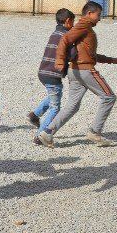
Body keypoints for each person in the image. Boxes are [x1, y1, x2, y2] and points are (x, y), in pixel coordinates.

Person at [39, 1, 117, 148]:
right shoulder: (84, 25)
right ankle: (95, 131)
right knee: (109, 97)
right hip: (85, 71)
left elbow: (89, 54)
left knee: (72, 106)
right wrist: (59, 60)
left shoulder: (85, 28)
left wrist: (112, 60)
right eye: (98, 15)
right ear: (89, 14)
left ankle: (47, 133)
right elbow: (65, 39)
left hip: (75, 71)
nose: (99, 18)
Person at [29, 8, 76, 145]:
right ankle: (40, 136)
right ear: (68, 21)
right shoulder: (67, 36)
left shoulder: (55, 33)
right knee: (55, 107)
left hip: (43, 72)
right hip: (53, 74)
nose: (73, 25)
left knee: (54, 95)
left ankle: (34, 115)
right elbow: (72, 55)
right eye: (73, 22)